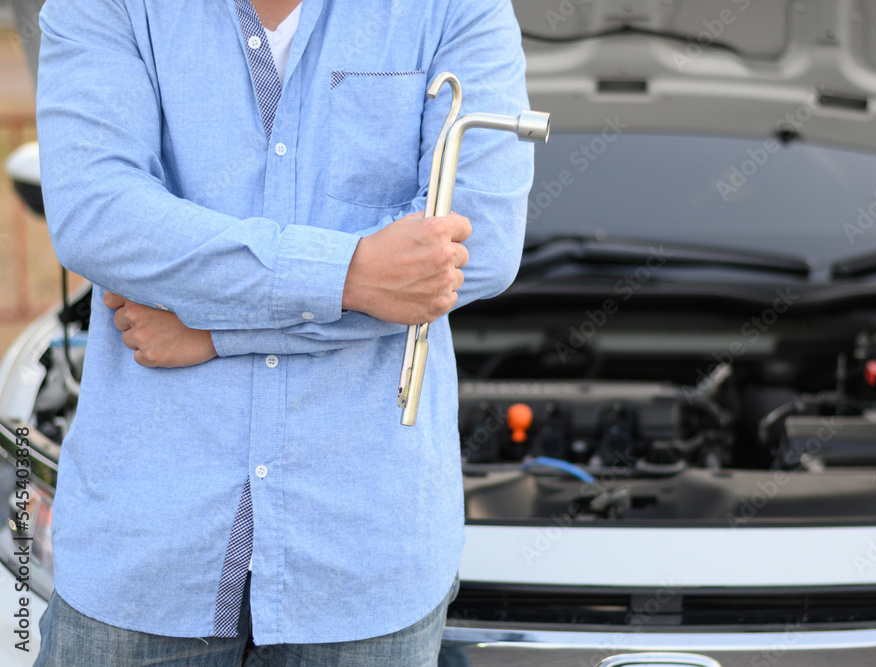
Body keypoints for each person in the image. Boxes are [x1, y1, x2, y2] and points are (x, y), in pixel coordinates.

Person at [32, 0, 533, 664]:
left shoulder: (457, 9)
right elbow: (99, 214)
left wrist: (215, 332)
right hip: (143, 558)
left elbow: (481, 246)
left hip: (362, 564)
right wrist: (352, 276)